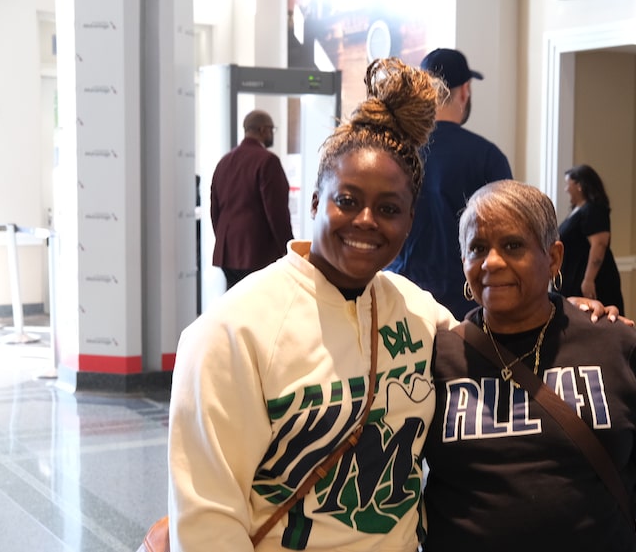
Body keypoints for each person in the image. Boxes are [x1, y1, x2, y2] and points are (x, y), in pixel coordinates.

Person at [169, 58, 458, 552]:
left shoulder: (420, 313)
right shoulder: (231, 332)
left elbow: (500, 365)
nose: (366, 220)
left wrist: (578, 318)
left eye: (389, 209)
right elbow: (207, 522)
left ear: (409, 221)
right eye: (347, 200)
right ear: (315, 203)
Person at [423, 180, 636, 551]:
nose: (491, 261)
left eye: (512, 245)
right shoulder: (439, 355)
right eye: (477, 248)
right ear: (464, 263)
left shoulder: (615, 345)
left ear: (553, 257)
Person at [387, 48, 512, 320]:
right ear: (465, 91)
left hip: (397, 302)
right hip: (465, 309)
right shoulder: (487, 157)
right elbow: (510, 235)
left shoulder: (391, 153)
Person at [210, 109, 294, 290]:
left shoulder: (224, 162)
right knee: (260, 309)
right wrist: (289, 250)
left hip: (228, 253)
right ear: (263, 130)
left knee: (234, 306)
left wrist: (224, 240)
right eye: (272, 129)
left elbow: (215, 210)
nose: (272, 134)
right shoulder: (268, 161)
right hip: (257, 252)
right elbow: (277, 213)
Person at [558, 163, 626, 314]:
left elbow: (599, 244)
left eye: (568, 184)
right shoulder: (578, 210)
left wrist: (588, 280)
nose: (566, 189)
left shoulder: (593, 210)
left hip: (592, 280)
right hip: (573, 278)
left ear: (580, 185)